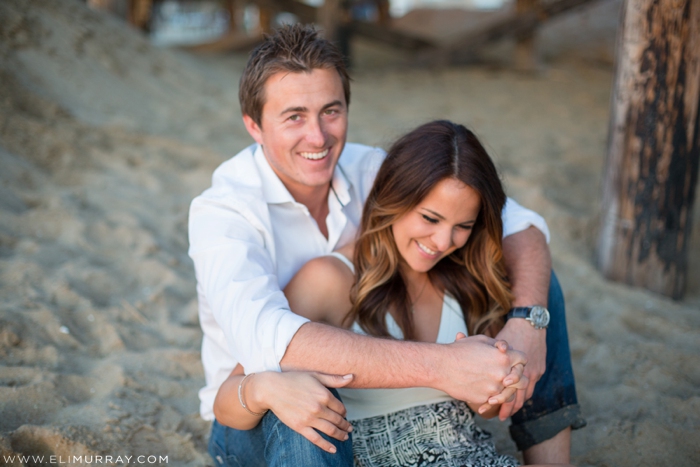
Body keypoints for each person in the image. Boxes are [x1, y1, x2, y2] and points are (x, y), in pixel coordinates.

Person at [188, 24, 583, 467]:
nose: (318, 137)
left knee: (533, 283)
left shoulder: (374, 170)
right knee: (304, 394)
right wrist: (445, 367)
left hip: (393, 401)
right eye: (294, 116)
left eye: (331, 111)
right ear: (254, 126)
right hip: (250, 408)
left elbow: (519, 224)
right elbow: (271, 343)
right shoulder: (222, 214)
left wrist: (527, 324)